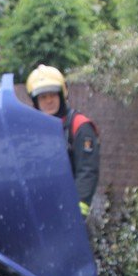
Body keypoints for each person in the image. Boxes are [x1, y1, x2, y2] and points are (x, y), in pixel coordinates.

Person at [26, 65, 100, 217]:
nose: (48, 101)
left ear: (62, 94)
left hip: (71, 211)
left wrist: (78, 212)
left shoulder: (79, 126)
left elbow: (87, 171)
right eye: (43, 97)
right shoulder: (32, 130)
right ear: (35, 101)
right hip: (42, 211)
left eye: (52, 95)